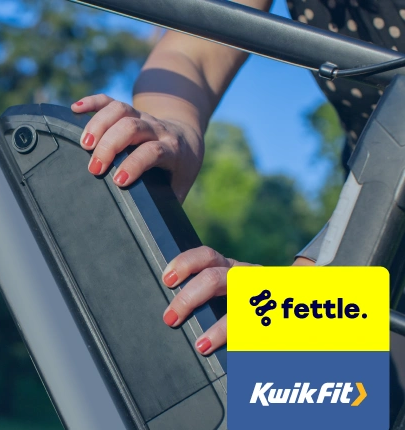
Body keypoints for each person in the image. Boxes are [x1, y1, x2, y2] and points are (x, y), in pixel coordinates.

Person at [71, 0, 405, 355]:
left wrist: (319, 274)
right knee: (303, 384)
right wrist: (174, 126)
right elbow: (192, 51)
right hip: (368, 202)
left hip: (379, 217)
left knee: (313, 351)